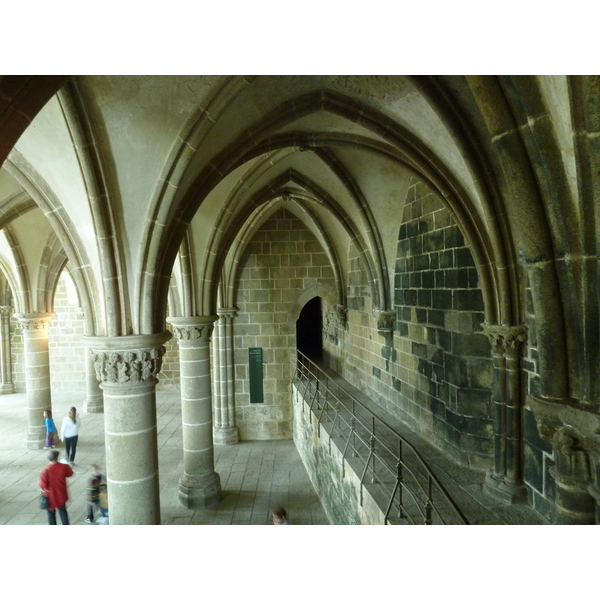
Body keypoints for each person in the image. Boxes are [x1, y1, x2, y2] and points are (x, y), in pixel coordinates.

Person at [39, 450, 74, 525]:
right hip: (61, 494)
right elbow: (70, 474)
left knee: (51, 515)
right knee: (63, 512)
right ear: (57, 457)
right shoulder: (64, 467)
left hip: (51, 497)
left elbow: (43, 485)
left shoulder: (45, 471)